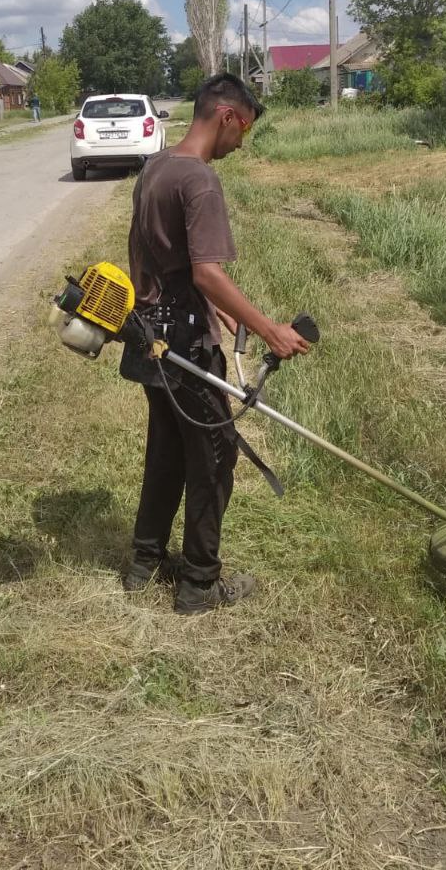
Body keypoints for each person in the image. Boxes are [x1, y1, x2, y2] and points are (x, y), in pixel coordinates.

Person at [120, 74, 311, 615]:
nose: (241, 143)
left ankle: (144, 560)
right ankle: (199, 584)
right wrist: (270, 327)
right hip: (184, 346)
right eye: (244, 129)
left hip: (149, 337)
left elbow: (156, 260)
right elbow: (206, 273)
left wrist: (225, 314)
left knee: (166, 450)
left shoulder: (156, 167)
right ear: (227, 116)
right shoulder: (200, 181)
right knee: (213, 456)